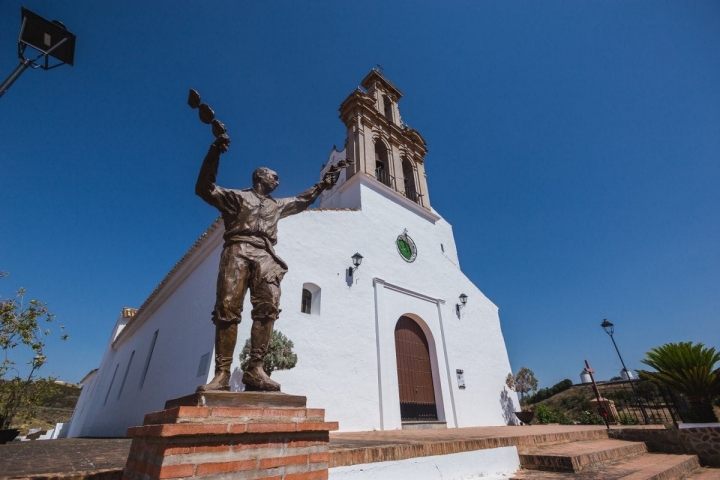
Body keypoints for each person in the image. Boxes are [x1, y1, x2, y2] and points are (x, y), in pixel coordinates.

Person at [195, 134, 334, 392]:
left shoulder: (277, 205)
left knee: (268, 308)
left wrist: (322, 185)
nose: (278, 181)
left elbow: (302, 201)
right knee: (227, 308)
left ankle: (255, 369)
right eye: (273, 176)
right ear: (259, 177)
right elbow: (204, 188)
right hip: (237, 249)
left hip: (266, 255)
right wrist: (215, 151)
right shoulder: (236, 198)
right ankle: (222, 374)